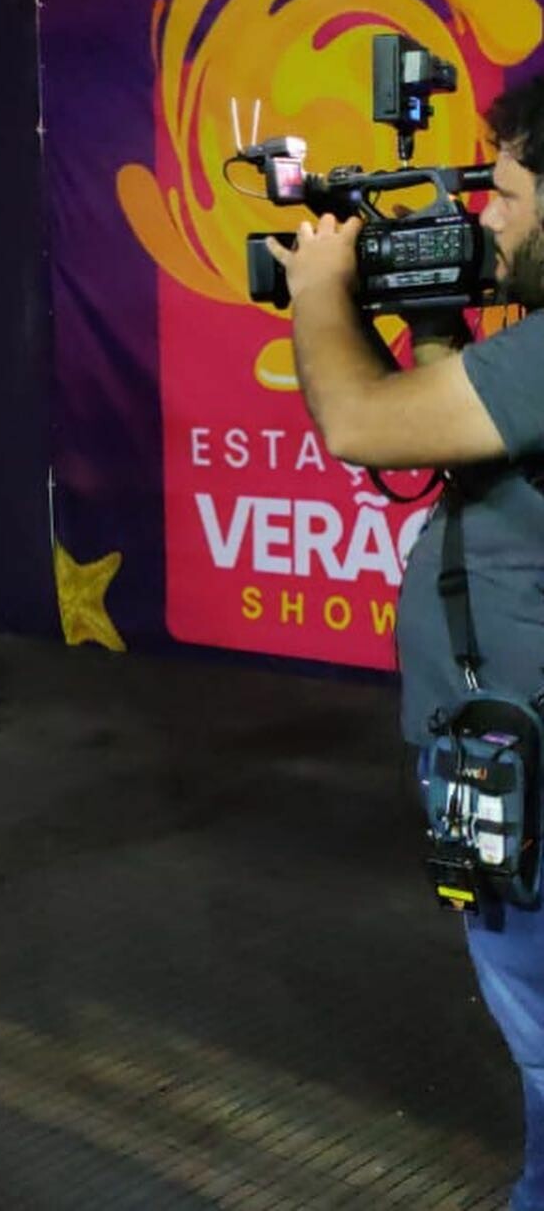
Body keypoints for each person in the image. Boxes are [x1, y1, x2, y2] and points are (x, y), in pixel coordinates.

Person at [267, 75, 544, 1211]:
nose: (486, 219)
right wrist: (432, 318)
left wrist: (320, 291)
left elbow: (359, 420)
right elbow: (462, 428)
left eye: (508, 195)